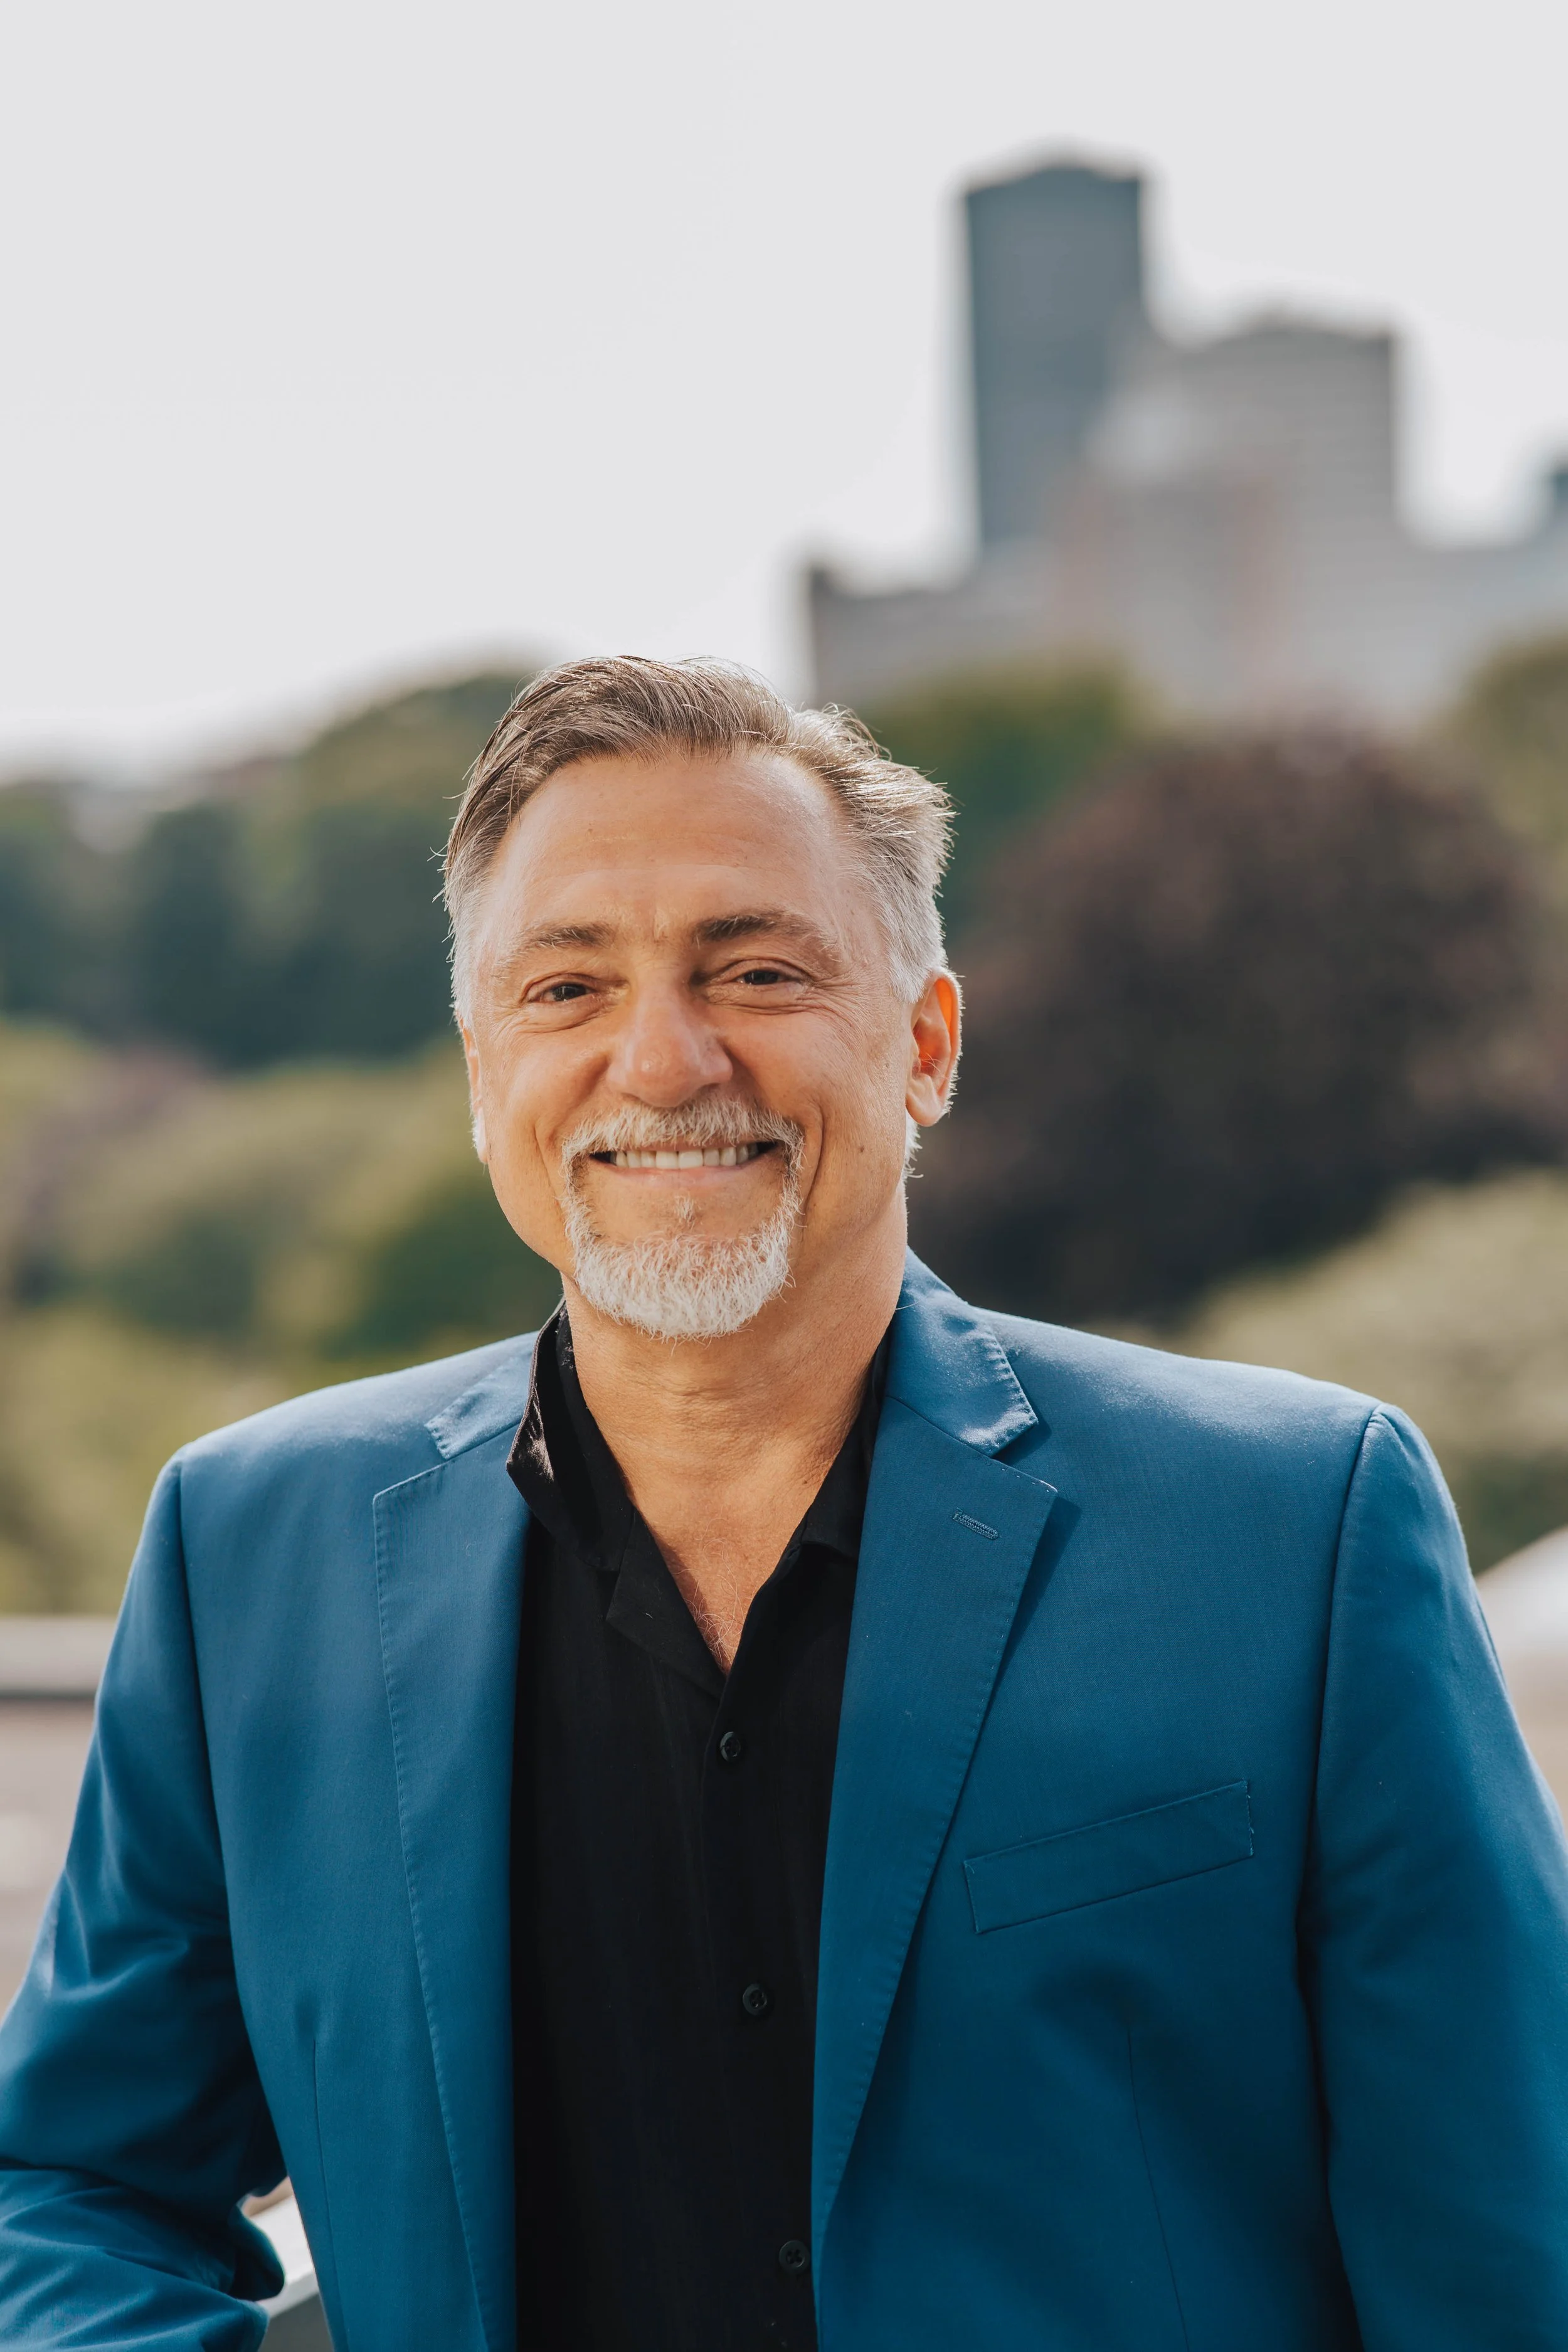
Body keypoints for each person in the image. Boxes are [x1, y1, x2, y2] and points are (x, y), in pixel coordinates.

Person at [1, 655, 1567, 2352]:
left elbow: (1501, 2259)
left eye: (753, 967)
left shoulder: (1295, 1530)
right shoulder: (249, 1552)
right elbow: (74, 2184)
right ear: (479, 1071)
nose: (663, 1059)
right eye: (565, 988)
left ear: (923, 1042)